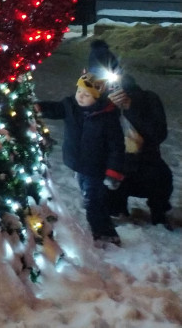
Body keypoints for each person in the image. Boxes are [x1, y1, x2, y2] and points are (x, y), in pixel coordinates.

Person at [88, 41, 174, 229]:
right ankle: (117, 210)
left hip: (145, 164)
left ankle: (159, 214)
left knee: (161, 178)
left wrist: (130, 108)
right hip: (111, 167)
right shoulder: (92, 101)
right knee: (107, 195)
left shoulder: (146, 98)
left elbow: (158, 134)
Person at [38, 73, 126, 245]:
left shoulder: (107, 117)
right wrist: (38, 107)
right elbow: (55, 108)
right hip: (79, 164)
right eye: (79, 91)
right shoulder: (71, 106)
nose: (80, 96)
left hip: (97, 168)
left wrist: (113, 172)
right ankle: (104, 229)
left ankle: (104, 235)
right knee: (93, 201)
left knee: (93, 202)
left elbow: (117, 147)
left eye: (86, 95)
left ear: (97, 97)